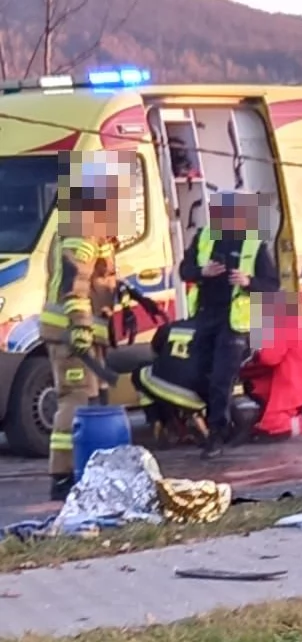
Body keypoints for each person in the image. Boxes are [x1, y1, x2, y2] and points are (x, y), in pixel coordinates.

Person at [39, 151, 134, 501]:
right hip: (68, 334)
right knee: (75, 401)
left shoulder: (92, 229)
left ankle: (82, 472)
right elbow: (74, 287)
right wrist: (80, 326)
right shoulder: (81, 229)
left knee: (88, 401)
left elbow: (98, 282)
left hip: (79, 332)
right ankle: (62, 477)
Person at [179, 190, 280, 458]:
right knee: (197, 373)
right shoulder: (204, 237)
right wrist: (202, 272)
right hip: (205, 316)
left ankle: (216, 435)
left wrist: (249, 283)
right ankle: (234, 418)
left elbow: (272, 286)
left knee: (222, 379)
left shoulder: (253, 245)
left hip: (235, 323)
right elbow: (184, 270)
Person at [239, 291, 302, 438]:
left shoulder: (279, 323)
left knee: (273, 425)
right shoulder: (299, 318)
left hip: (298, 382)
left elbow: (270, 358)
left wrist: (254, 356)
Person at [132, 317, 208, 445]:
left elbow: (155, 351)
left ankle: (156, 420)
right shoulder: (211, 331)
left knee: (139, 374)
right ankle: (203, 428)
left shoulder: (170, 327)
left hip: (160, 385)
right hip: (194, 396)